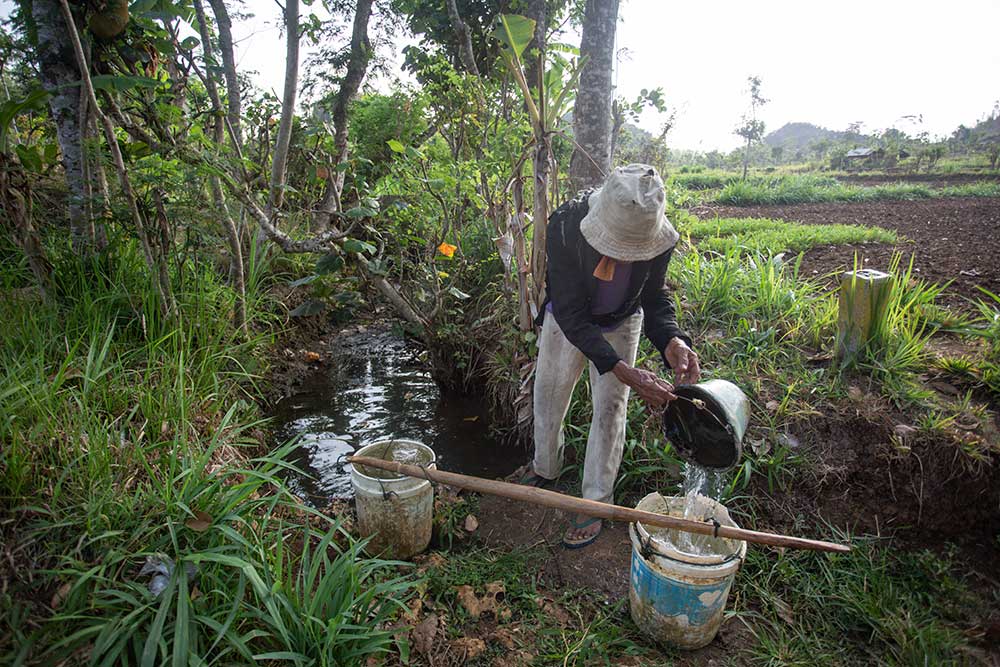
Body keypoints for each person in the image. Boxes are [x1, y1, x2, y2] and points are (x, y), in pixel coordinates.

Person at [518, 163, 700, 549]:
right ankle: (545, 468)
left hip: (621, 321)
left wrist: (672, 340)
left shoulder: (659, 239)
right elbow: (569, 311)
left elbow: (654, 297)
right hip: (566, 322)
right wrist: (622, 369)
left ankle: (597, 502)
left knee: (611, 409)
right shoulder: (566, 225)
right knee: (549, 397)